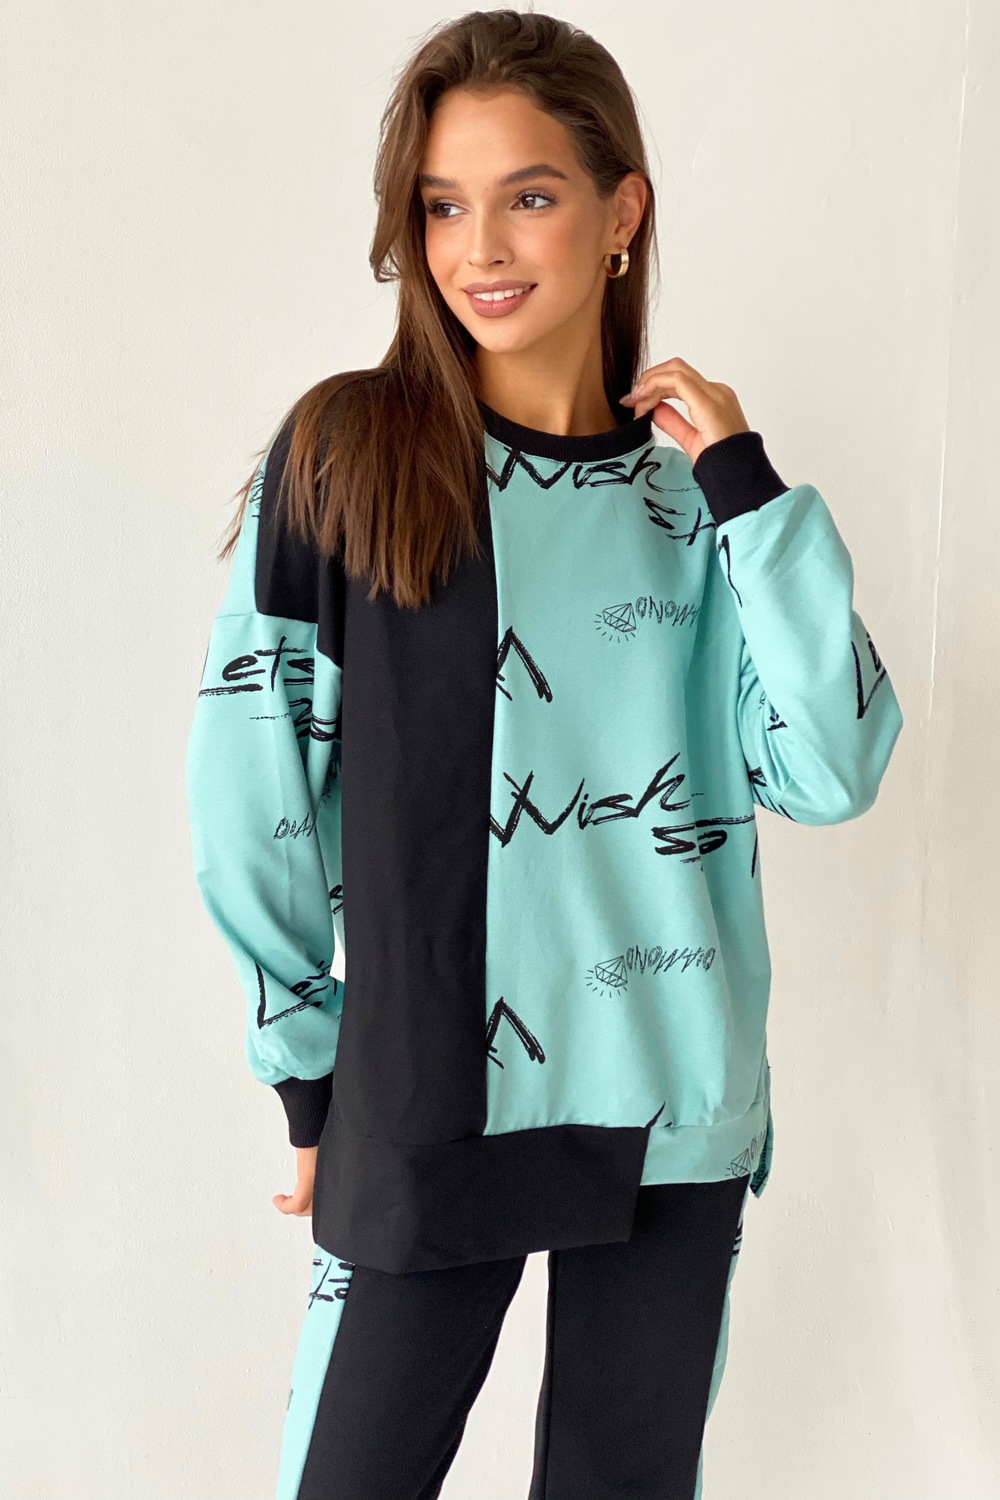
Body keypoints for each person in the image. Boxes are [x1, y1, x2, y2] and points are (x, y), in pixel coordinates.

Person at [184, 10, 904, 1499]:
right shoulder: (350, 458)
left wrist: (750, 487)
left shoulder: (700, 505)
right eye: (442, 206)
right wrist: (307, 1081)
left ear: (621, 210)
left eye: (528, 195)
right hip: (430, 1102)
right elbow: (253, 798)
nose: (480, 248)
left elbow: (831, 768)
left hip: (674, 1112)